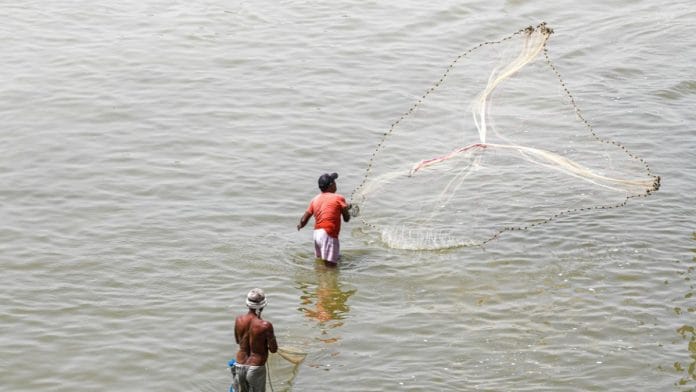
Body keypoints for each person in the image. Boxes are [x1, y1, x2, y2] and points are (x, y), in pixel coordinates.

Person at [297, 172, 351, 266]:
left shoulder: (315, 199)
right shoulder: (338, 198)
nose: (335, 183)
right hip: (328, 233)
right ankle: (326, 280)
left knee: (321, 262)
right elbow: (346, 218)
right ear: (331, 185)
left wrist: (300, 225)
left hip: (317, 234)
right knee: (331, 266)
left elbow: (303, 220)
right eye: (334, 181)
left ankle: (320, 278)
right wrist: (348, 211)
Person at [232, 288, 278, 392]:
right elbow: (273, 349)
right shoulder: (266, 325)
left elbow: (238, 341)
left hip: (239, 365)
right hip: (256, 368)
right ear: (263, 306)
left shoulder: (238, 319)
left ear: (248, 304)